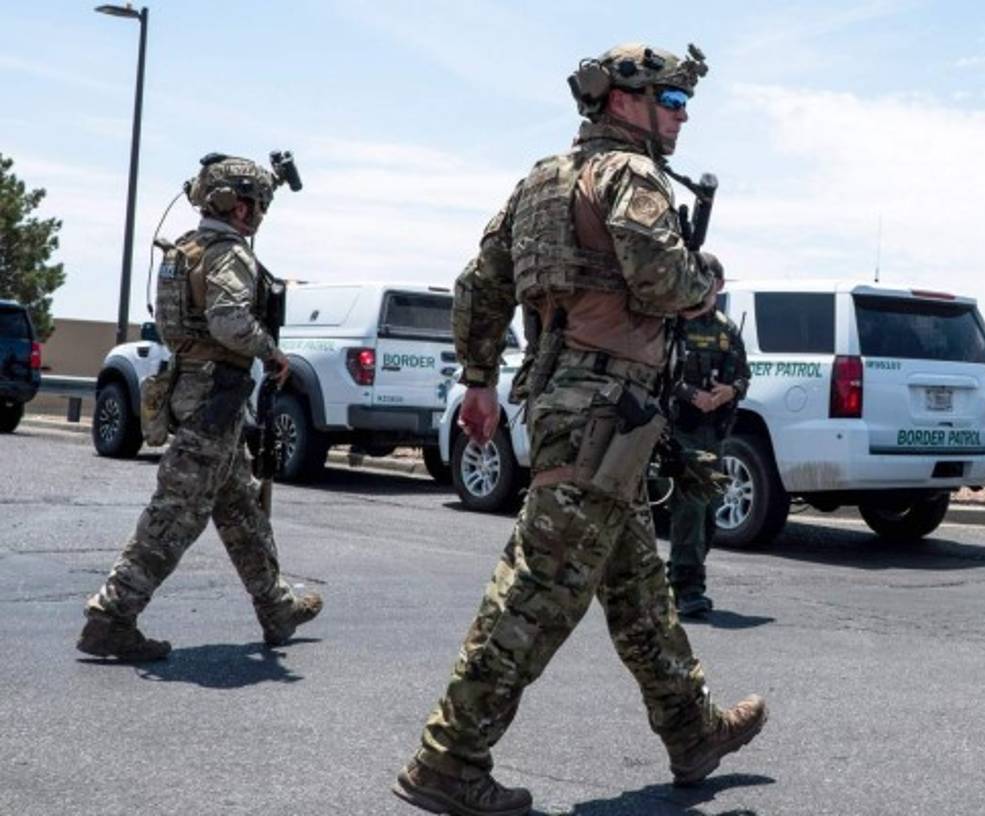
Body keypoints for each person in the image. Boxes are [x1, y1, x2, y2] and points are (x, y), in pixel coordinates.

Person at [393, 43, 767, 816]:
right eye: (671, 100)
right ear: (622, 101)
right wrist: (704, 283)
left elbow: (477, 285)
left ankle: (692, 731)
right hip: (605, 409)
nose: (682, 116)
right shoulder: (629, 176)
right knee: (539, 590)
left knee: (637, 588)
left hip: (577, 406)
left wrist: (478, 380)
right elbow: (662, 280)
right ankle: (449, 758)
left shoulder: (539, 182)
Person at [77, 153, 322, 662]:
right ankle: (112, 615)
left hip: (198, 390)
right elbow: (229, 320)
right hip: (215, 395)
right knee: (178, 512)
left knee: (239, 508)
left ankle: (276, 607)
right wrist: (270, 352)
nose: (256, 215)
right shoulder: (228, 253)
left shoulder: (185, 249)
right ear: (234, 204)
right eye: (253, 204)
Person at [667, 255, 750, 618]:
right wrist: (690, 394)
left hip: (713, 433)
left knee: (710, 514)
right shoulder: (672, 324)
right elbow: (659, 371)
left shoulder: (726, 329)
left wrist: (728, 391)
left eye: (712, 279)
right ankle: (688, 588)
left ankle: (680, 577)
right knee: (692, 505)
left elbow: (744, 376)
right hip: (679, 428)